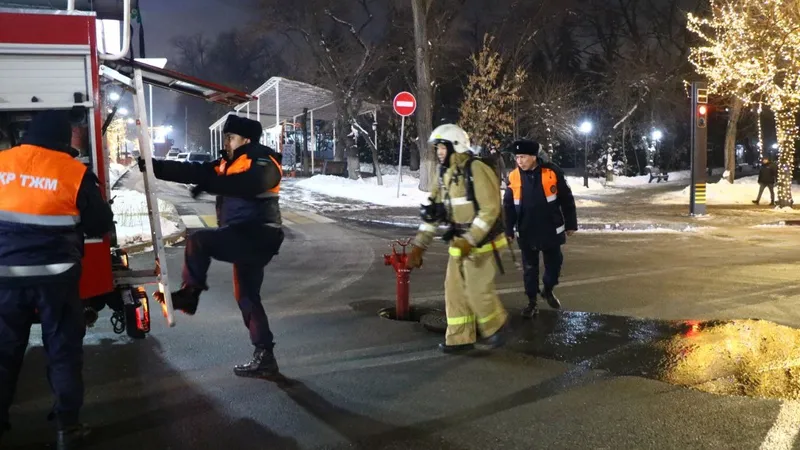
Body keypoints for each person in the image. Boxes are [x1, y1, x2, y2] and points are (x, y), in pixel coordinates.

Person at [0, 110, 114, 449]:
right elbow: (99, 224)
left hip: (4, 276)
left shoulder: (2, 163)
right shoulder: (74, 173)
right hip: (57, 279)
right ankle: (68, 428)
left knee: (3, 353)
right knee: (62, 351)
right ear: (65, 142)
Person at [138, 115, 284, 378]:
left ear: (246, 140)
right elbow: (192, 170)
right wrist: (154, 166)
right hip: (243, 235)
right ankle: (265, 356)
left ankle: (189, 295)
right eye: (225, 137)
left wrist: (209, 184)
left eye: (230, 137)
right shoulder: (227, 164)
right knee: (247, 297)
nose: (225, 142)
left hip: (258, 234)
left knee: (199, 241)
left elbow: (251, 184)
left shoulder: (263, 160)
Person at [407, 124, 510, 353]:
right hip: (459, 242)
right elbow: (432, 212)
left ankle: (497, 326)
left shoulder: (477, 169)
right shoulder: (443, 174)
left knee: (476, 288)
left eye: (442, 147)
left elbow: (490, 209)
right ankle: (460, 339)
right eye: (437, 148)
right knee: (453, 291)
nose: (439, 152)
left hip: (484, 242)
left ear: (455, 145)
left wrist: (471, 240)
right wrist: (419, 247)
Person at [503, 140, 577, 319]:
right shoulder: (513, 176)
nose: (519, 161)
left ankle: (548, 289)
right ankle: (532, 302)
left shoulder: (551, 172)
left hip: (550, 228)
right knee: (530, 268)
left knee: (554, 264)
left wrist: (570, 223)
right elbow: (508, 206)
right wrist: (508, 230)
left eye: (523, 157)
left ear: (534, 157)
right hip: (526, 229)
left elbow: (566, 198)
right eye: (517, 157)